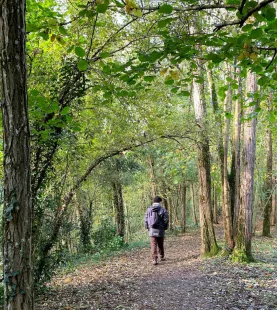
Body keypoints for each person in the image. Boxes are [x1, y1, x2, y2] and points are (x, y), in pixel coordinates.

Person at [144, 196, 169, 265]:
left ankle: (154, 259)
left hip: (151, 230)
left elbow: (145, 219)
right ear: (160, 201)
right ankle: (162, 256)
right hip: (160, 230)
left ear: (154, 202)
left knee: (153, 245)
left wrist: (147, 227)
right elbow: (166, 219)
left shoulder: (149, 209)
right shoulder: (163, 209)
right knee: (160, 244)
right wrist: (165, 227)